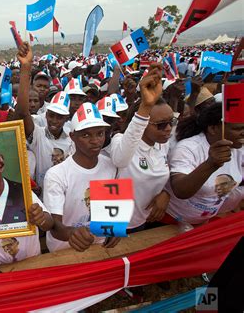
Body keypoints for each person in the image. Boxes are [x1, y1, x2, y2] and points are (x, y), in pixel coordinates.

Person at [43, 102, 121, 252]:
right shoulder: (56, 175)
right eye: (86, 135)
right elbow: (54, 226)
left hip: (99, 244)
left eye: (100, 133)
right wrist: (71, 233)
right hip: (63, 249)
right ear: (72, 136)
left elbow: (111, 207)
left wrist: (115, 227)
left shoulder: (111, 166)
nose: (95, 141)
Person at [109, 63, 173, 231]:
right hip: (117, 225)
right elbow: (120, 160)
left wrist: (165, 194)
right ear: (144, 123)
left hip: (146, 220)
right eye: (160, 125)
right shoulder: (120, 141)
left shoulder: (163, 145)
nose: (168, 129)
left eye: (170, 122)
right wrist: (146, 106)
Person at [165, 103, 244, 226]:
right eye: (238, 129)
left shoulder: (239, 149)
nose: (243, 133)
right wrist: (211, 164)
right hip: (170, 222)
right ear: (213, 128)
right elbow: (181, 191)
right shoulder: (188, 148)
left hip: (204, 222)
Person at [15, 42, 72, 189]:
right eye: (51, 115)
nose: (54, 120)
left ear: (66, 119)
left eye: (60, 117)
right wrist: (26, 67)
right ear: (46, 114)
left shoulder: (72, 140)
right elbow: (22, 112)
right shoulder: (38, 136)